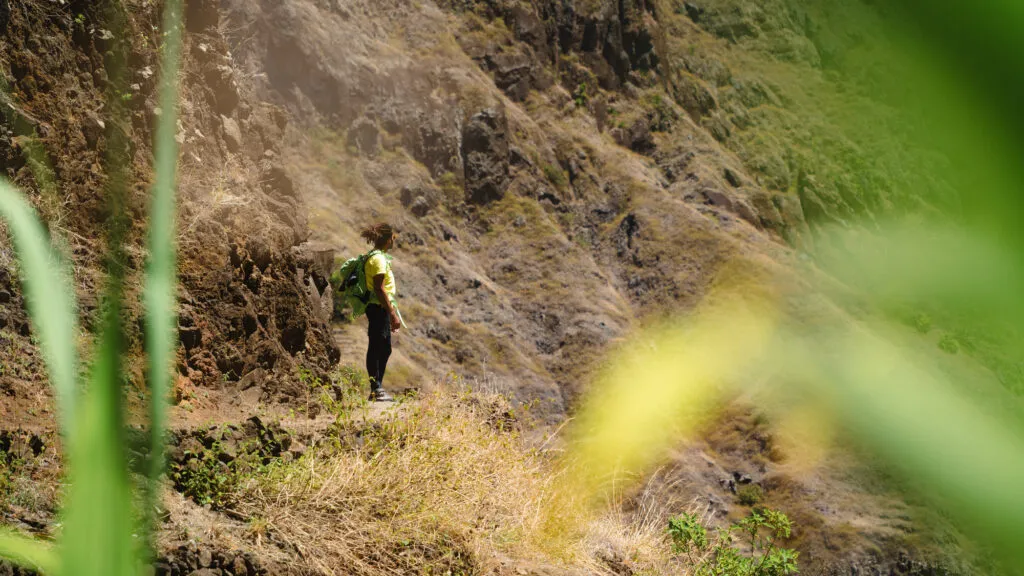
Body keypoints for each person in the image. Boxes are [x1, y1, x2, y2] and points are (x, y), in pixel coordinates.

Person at [361, 223, 401, 402]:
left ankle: (377, 387)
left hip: (380, 307)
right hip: (378, 307)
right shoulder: (378, 259)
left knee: (383, 347)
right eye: (392, 237)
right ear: (387, 239)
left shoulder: (379, 257)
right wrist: (392, 313)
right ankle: (375, 388)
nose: (394, 240)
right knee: (378, 346)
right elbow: (379, 288)